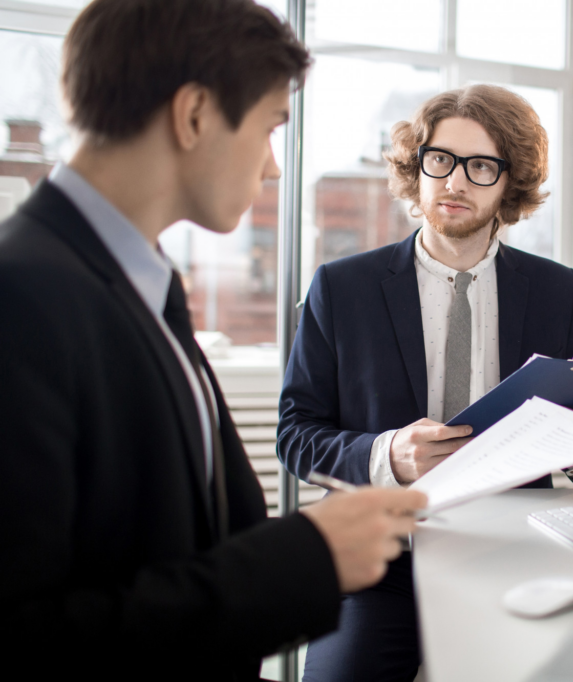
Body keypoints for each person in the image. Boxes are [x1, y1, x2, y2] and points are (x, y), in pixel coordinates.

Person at [0, 1, 426, 679]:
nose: (273, 168)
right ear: (195, 115)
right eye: (268, 129)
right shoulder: (20, 297)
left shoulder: (138, 282)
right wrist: (304, 558)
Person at [278, 84, 573, 681]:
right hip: (381, 562)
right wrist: (387, 455)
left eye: (481, 166)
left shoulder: (558, 291)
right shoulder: (341, 287)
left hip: (514, 552)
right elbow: (296, 434)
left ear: (511, 184)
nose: (455, 182)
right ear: (417, 167)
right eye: (440, 160)